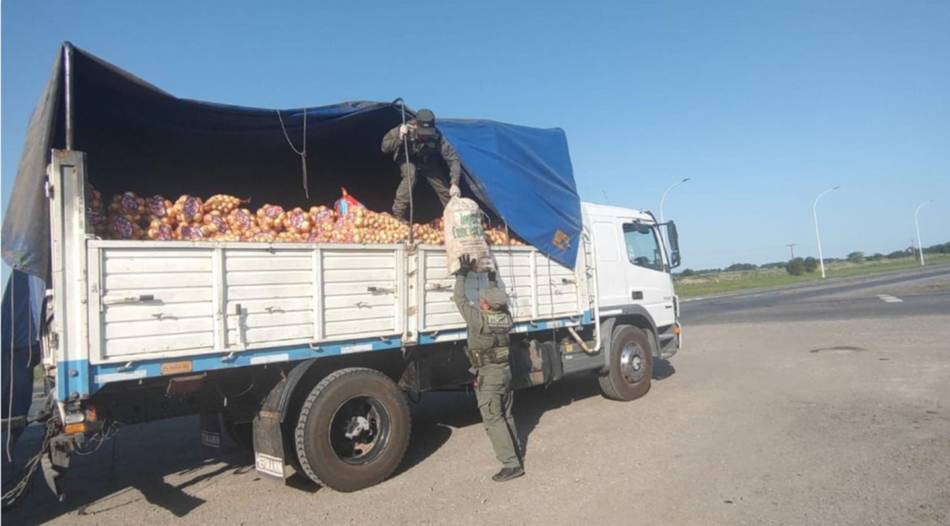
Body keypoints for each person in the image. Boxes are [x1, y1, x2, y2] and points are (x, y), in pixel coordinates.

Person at [453, 254, 524, 482]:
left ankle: (511, 464)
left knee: (493, 419)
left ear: (485, 305)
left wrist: (462, 273)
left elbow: (459, 299)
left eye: (482, 300)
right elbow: (492, 300)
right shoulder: (506, 319)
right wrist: (492, 277)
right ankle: (516, 452)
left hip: (489, 375)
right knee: (506, 414)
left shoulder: (479, 321)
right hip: (504, 372)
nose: (480, 301)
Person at [381, 108, 462, 222]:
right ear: (416, 126)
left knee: (443, 187)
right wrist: (400, 137)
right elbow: (384, 147)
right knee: (411, 175)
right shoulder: (405, 129)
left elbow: (453, 159)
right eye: (423, 133)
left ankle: (454, 217)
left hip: (426, 160)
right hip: (407, 158)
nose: (425, 136)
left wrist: (455, 183)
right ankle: (398, 215)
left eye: (428, 133)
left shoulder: (438, 137)